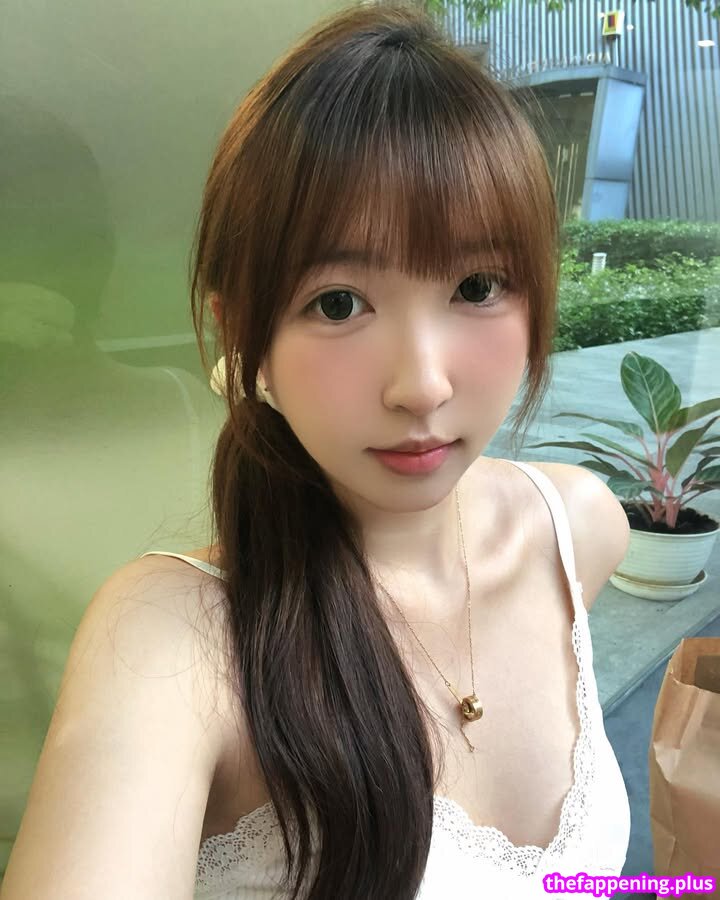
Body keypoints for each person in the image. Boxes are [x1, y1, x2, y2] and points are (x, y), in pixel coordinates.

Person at [1, 3, 632, 898]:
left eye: (477, 285)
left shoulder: (578, 530)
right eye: (338, 303)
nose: (421, 385)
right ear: (245, 333)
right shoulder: (178, 641)